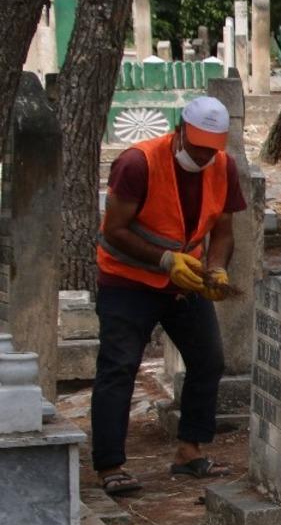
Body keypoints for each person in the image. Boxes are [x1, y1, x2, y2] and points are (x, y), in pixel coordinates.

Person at [91, 97, 247, 496]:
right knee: (119, 366)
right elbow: (114, 230)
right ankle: (111, 465)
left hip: (184, 280)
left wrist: (216, 267)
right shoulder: (137, 163)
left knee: (208, 360)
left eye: (210, 150)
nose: (202, 156)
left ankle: (189, 452)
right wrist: (163, 259)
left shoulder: (224, 167)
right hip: (127, 280)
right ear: (179, 132)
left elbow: (224, 231)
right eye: (196, 147)